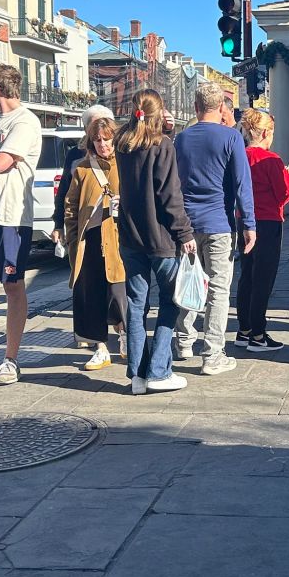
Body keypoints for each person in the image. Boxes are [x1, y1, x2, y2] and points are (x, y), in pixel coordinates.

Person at [115, 89, 196, 395]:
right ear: (160, 113)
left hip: (130, 237)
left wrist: (166, 128)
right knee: (170, 303)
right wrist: (185, 233)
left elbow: (134, 132)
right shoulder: (163, 147)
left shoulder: (123, 144)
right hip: (161, 238)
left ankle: (137, 375)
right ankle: (160, 371)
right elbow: (169, 196)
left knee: (136, 306)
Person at [173, 82, 256, 375]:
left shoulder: (180, 139)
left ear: (195, 108)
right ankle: (212, 354)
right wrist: (249, 224)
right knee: (218, 290)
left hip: (186, 223)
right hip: (219, 222)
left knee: (188, 281)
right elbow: (241, 183)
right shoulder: (231, 137)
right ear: (221, 108)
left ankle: (183, 341)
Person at [0, 64, 43, 387]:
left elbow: (1, 162)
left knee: (12, 285)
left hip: (13, 216)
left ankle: (11, 358)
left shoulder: (26, 121)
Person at [62, 117, 126, 371]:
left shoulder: (125, 164)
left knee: (119, 294)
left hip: (118, 241)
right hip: (90, 242)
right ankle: (100, 348)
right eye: (97, 140)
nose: (103, 145)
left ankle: (125, 336)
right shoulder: (82, 169)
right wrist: (72, 241)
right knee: (93, 296)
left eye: (107, 139)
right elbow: (70, 207)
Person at [236, 109, 289, 352]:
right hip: (268, 221)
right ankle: (259, 334)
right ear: (264, 133)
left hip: (244, 220)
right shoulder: (270, 160)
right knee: (264, 277)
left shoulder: (240, 156)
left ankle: (245, 329)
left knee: (247, 275)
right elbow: (282, 194)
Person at [53, 104, 116, 236]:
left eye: (104, 125)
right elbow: (65, 191)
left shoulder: (122, 157)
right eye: (94, 126)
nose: (99, 130)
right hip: (87, 228)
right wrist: (59, 225)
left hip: (116, 230)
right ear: (86, 129)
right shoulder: (76, 157)